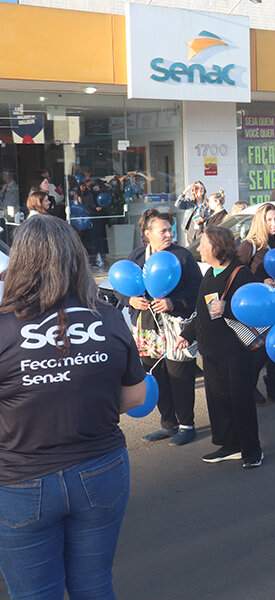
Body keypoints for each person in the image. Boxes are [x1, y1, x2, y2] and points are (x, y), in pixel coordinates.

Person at [0, 216, 146, 600]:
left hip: (20, 480)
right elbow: (135, 396)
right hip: (101, 469)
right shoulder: (107, 315)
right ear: (77, 258)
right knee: (94, 586)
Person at [178, 227, 263, 468]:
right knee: (219, 401)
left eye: (203, 244)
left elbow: (254, 310)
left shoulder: (240, 273)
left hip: (234, 351)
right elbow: (202, 311)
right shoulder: (210, 274)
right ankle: (230, 445)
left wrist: (229, 308)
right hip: (211, 350)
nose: (199, 248)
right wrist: (187, 334)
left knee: (240, 400)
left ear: (217, 246)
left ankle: (251, 449)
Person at [117, 210, 203, 446]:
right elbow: (119, 286)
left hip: (176, 327)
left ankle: (187, 424)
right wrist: (130, 300)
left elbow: (198, 290)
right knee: (157, 375)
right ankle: (168, 424)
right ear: (147, 235)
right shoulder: (136, 257)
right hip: (147, 328)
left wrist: (173, 302)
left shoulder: (182, 256)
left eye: (170, 229)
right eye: (163, 230)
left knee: (179, 375)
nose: (169, 234)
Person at [237, 203, 275, 404]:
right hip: (259, 306)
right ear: (260, 221)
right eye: (269, 219)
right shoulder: (249, 245)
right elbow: (238, 274)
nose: (274, 223)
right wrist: (260, 282)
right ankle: (250, 387)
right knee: (259, 351)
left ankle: (273, 388)